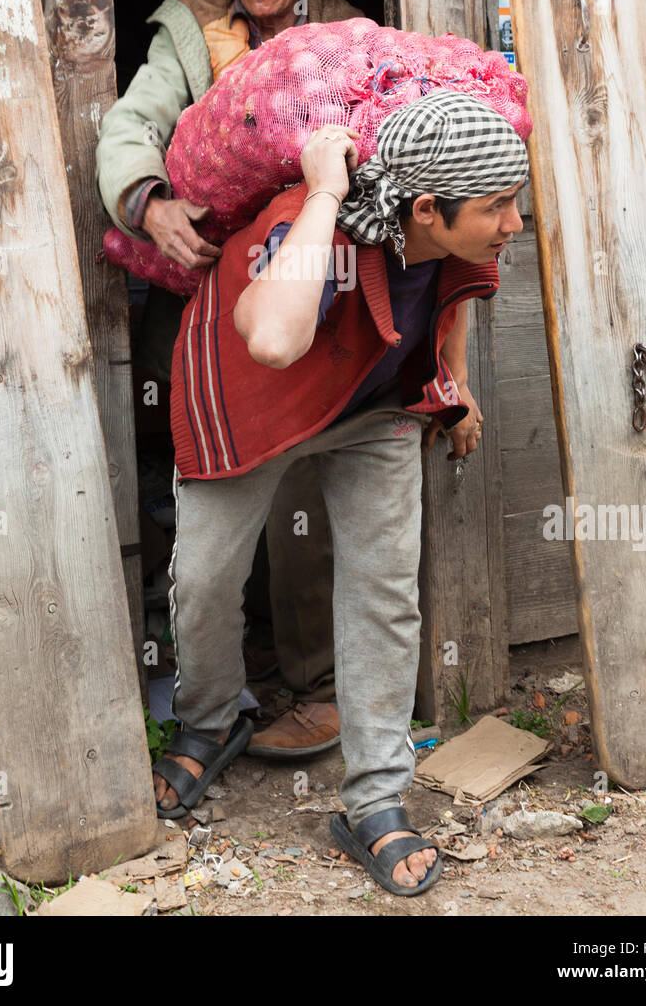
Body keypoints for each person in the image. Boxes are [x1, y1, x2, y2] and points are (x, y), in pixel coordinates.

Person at [152, 89, 529, 896]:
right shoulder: (311, 228)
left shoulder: (456, 239)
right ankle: (210, 723)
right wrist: (324, 188)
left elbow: (454, 296)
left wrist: (451, 381)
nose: (514, 224)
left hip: (376, 402)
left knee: (384, 592)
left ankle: (374, 798)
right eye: (500, 206)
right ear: (426, 207)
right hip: (253, 397)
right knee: (207, 580)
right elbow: (278, 337)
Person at [95, 0, 362, 755]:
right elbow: (132, 123)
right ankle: (207, 687)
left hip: (309, 277)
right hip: (207, 277)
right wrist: (150, 201)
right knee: (200, 473)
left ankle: (314, 684)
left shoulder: (348, 32)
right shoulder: (189, 25)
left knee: (302, 482)